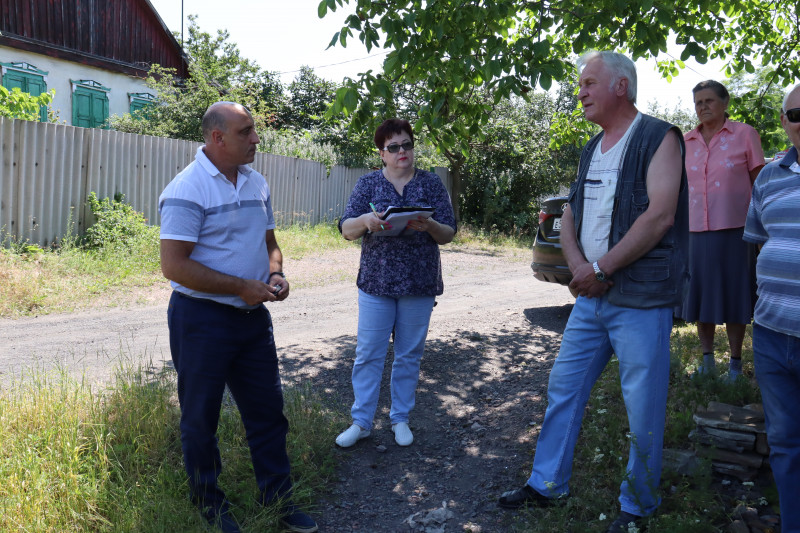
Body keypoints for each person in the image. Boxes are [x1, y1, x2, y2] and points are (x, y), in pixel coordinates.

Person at [497, 51, 688, 533]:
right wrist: (582, 268)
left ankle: (637, 506)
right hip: (592, 298)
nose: (579, 91)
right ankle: (547, 485)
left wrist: (601, 267)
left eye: (588, 82)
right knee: (564, 388)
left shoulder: (659, 137)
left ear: (620, 86)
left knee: (642, 403)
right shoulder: (591, 147)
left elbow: (660, 215)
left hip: (640, 298)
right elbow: (570, 217)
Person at [158, 102, 317, 533]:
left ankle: (278, 500)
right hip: (201, 319)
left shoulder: (257, 182)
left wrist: (276, 273)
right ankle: (210, 505)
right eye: (246, 131)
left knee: (268, 412)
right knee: (200, 418)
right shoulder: (186, 189)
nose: (256, 139)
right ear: (217, 138)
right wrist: (240, 286)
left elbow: (269, 242)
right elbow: (174, 266)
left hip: (252, 319)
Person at [335, 118, 456, 448]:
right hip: (377, 282)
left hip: (419, 282)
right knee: (368, 354)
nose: (402, 151)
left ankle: (400, 418)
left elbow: (448, 233)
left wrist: (429, 225)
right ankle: (361, 422)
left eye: (407, 144)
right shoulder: (368, 184)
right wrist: (367, 221)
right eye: (393, 147)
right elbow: (346, 228)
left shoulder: (430, 183)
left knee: (408, 355)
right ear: (382, 154)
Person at [743, 83, 800, 533]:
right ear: (784, 123)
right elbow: (757, 243)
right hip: (771, 334)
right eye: (796, 113)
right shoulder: (768, 177)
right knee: (784, 442)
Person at [680, 80, 765, 380]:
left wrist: (762, 229)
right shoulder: (685, 141)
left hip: (737, 231)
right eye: (698, 102)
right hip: (695, 232)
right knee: (700, 296)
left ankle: (735, 364)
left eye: (708, 101)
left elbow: (760, 185)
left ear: (725, 103)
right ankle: (707, 362)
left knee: (734, 295)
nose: (702, 107)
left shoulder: (744, 135)